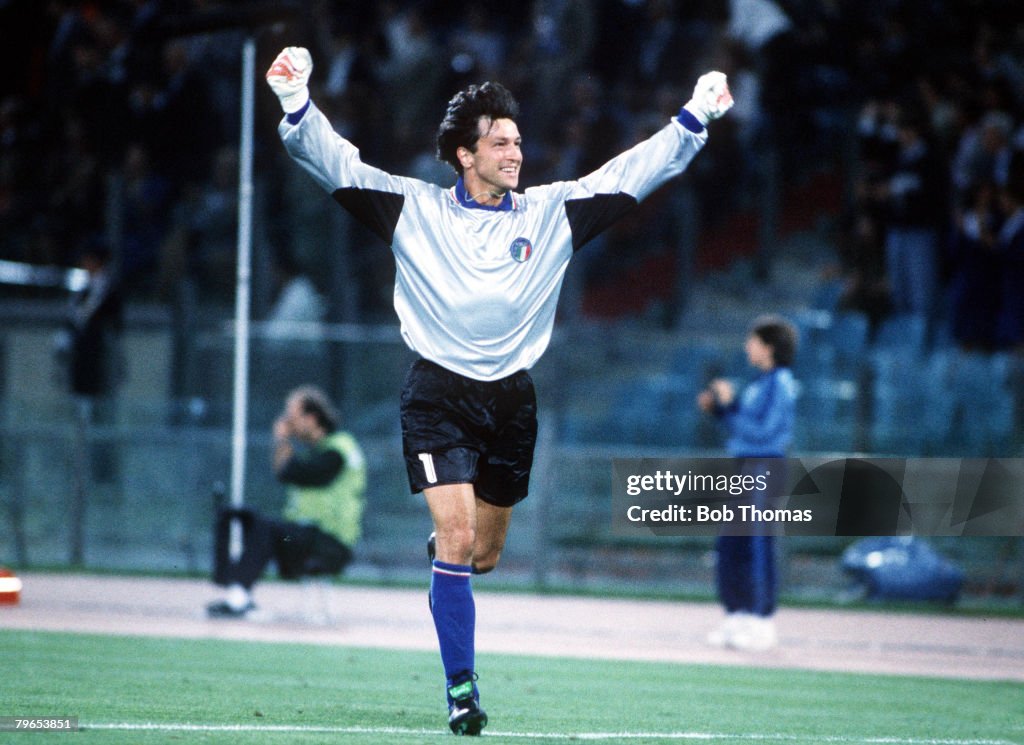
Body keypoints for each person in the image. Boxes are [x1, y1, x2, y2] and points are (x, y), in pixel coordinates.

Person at [267, 45, 732, 735]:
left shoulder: (549, 215)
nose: (516, 152)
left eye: (517, 141)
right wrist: (296, 103)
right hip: (436, 395)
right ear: (464, 154)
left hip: (511, 402)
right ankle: (461, 689)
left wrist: (695, 117)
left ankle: (447, 569)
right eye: (500, 142)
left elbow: (631, 172)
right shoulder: (413, 210)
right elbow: (336, 163)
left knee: (482, 554)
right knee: (455, 537)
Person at [207, 385, 366, 619]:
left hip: (329, 544)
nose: (287, 422)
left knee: (265, 528)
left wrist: (281, 439)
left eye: (292, 417)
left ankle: (239, 597)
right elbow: (284, 472)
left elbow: (290, 472)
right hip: (303, 537)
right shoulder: (317, 450)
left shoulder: (337, 450)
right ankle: (233, 587)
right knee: (241, 516)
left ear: (311, 418)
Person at [697, 315, 798, 652]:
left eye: (752, 341)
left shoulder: (780, 383)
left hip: (764, 466)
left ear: (768, 346)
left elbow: (763, 432)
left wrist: (726, 409)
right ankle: (737, 614)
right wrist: (723, 409)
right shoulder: (759, 383)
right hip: (745, 464)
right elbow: (747, 422)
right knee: (732, 543)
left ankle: (761, 619)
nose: (747, 347)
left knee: (756, 541)